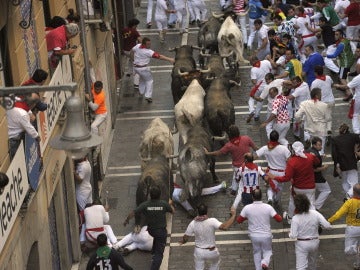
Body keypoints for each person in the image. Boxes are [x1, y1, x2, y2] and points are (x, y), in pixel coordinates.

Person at [124, 185, 174, 270]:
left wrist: (127, 220)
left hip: (151, 230)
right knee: (159, 253)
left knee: (156, 240)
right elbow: (173, 211)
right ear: (160, 194)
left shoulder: (145, 204)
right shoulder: (163, 204)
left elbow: (133, 212)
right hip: (161, 232)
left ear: (150, 195)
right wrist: (170, 203)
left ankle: (153, 252)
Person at [268, 141, 319, 224]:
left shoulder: (292, 162)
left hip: (298, 188)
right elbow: (317, 162)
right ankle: (315, 220)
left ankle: (290, 217)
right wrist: (313, 156)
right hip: (310, 187)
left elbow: (286, 178)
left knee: (292, 201)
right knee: (311, 204)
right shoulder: (310, 157)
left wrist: (274, 177)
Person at [204, 125, 258, 195]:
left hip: (237, 167)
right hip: (248, 165)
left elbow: (218, 153)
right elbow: (255, 148)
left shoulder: (229, 145)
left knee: (236, 177)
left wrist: (208, 153)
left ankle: (234, 190)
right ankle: (236, 189)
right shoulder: (246, 139)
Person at [179, 203, 236, 270]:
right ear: (207, 211)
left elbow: (186, 237)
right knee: (215, 264)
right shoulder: (212, 221)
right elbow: (225, 227)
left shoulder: (193, 223)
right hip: (212, 251)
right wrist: (233, 216)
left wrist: (183, 241)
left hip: (199, 251)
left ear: (197, 212)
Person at [236, 189, 283, 270]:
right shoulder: (268, 207)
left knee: (256, 252)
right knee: (268, 251)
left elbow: (239, 220)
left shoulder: (247, 208)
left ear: (252, 197)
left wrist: (248, 217)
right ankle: (264, 262)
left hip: (253, 235)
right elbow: (279, 219)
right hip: (266, 235)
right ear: (261, 196)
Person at [289, 194, 332, 270]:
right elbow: (327, 226)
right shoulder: (315, 213)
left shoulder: (295, 218)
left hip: (302, 244)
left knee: (300, 267)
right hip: (315, 242)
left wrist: (290, 234)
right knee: (312, 264)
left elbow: (293, 235)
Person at [130, 37, 175, 103]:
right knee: (149, 81)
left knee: (142, 79)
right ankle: (148, 96)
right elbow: (159, 56)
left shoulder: (137, 46)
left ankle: (141, 92)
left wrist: (132, 59)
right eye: (148, 44)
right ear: (144, 44)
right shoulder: (148, 52)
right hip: (143, 68)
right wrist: (170, 59)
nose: (150, 45)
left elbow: (131, 51)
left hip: (136, 68)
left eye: (150, 44)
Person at [254, 130, 291, 205]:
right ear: (278, 138)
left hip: (271, 172)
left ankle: (270, 198)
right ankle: (276, 200)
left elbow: (255, 156)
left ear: (269, 138)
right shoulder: (284, 149)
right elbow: (289, 160)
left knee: (270, 187)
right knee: (280, 188)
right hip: (282, 173)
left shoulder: (265, 148)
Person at [328, 183, 360, 269]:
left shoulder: (349, 202)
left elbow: (338, 214)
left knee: (348, 250)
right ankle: (357, 263)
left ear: (354, 192)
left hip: (352, 228)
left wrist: (329, 221)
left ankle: (357, 250)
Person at [294, 87, 330, 154]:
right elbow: (328, 119)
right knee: (320, 150)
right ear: (316, 95)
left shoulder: (304, 104)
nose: (321, 95)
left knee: (313, 149)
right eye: (320, 94)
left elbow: (297, 115)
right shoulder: (324, 105)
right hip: (321, 130)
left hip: (310, 130)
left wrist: (299, 121)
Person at [6, 93, 41, 159]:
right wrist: (37, 136)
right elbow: (29, 128)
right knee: (18, 160)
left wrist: (30, 113)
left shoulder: (16, 100)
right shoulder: (23, 114)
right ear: (32, 105)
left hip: (14, 137)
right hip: (16, 140)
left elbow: (26, 107)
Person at [323, 29, 355, 99]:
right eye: (335, 34)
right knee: (343, 75)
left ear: (341, 35)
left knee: (341, 78)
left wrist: (326, 55)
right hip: (349, 60)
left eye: (337, 34)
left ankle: (349, 92)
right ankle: (346, 88)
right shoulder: (345, 40)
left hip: (345, 63)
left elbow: (334, 55)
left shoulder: (341, 44)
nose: (335, 36)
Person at [332, 123, 360, 199]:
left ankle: (348, 197)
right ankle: (349, 196)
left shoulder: (335, 139)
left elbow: (334, 154)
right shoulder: (353, 136)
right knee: (354, 183)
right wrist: (357, 150)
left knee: (345, 182)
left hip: (342, 164)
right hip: (351, 163)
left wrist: (336, 165)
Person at [253, 73, 284, 137]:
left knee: (268, 125)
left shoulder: (267, 87)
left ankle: (271, 138)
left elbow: (261, 99)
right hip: (281, 106)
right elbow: (288, 82)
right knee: (277, 123)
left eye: (267, 80)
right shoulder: (279, 81)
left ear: (271, 79)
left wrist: (253, 96)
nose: (266, 81)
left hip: (271, 108)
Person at [310, 65, 335, 138]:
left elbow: (312, 93)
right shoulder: (328, 78)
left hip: (322, 103)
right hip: (331, 100)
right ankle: (329, 129)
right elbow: (332, 84)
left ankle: (324, 133)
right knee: (329, 116)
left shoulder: (315, 82)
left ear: (316, 73)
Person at [308, 136, 331, 210]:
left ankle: (312, 207)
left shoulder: (308, 151)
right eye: (319, 145)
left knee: (311, 193)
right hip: (317, 177)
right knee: (326, 190)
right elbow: (315, 169)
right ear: (314, 145)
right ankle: (316, 206)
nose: (321, 146)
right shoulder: (316, 155)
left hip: (308, 177)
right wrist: (324, 167)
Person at [247, 55, 272, 123]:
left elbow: (254, 81)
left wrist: (254, 85)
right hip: (268, 86)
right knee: (260, 100)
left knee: (251, 99)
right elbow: (272, 68)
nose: (250, 63)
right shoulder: (266, 62)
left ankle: (252, 110)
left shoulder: (253, 69)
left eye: (250, 61)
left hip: (259, 87)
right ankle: (256, 115)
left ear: (254, 61)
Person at [121, 18, 141, 88]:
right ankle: (136, 83)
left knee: (130, 59)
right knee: (136, 65)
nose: (137, 27)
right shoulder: (135, 31)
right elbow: (140, 40)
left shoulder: (124, 30)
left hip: (125, 50)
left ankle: (129, 72)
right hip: (131, 50)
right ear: (134, 25)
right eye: (136, 25)